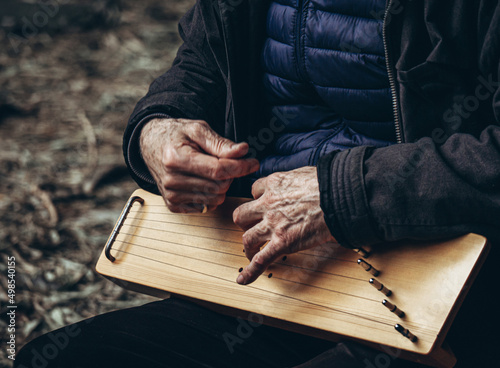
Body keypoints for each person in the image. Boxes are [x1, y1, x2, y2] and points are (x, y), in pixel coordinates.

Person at [16, 0, 499, 367]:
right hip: (267, 279)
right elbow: (203, 60)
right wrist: (156, 128)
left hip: (431, 292)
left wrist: (342, 195)